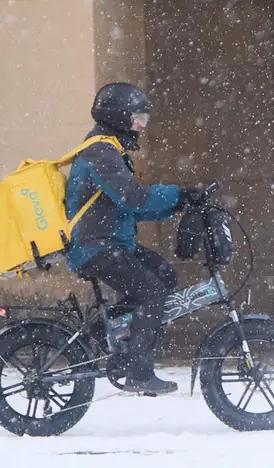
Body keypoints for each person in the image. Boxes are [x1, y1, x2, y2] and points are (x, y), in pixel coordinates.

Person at [64, 82, 203, 395]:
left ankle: (110, 331)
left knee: (164, 276)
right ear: (118, 116)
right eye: (138, 117)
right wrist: (177, 193)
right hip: (95, 247)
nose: (142, 125)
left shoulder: (111, 150)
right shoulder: (100, 151)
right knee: (151, 291)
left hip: (111, 242)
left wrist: (178, 204)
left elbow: (128, 209)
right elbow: (131, 197)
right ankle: (139, 372)